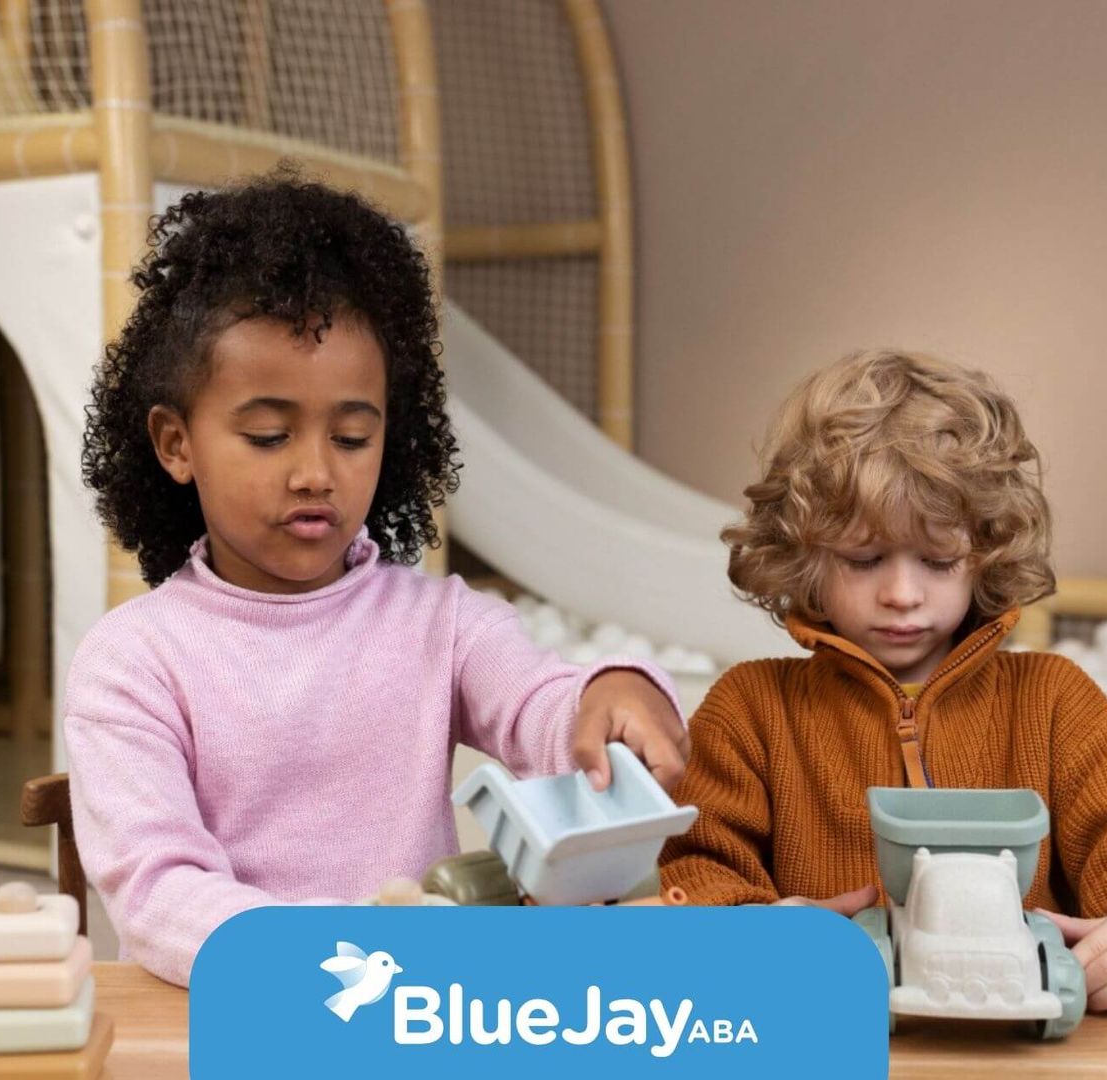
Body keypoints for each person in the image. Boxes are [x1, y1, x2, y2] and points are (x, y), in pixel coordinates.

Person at [67, 174, 687, 986]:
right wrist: (354, 954)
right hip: (236, 1011)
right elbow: (159, 895)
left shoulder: (444, 623)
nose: (315, 472)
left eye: (353, 437)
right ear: (176, 444)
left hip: (423, 1011)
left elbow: (544, 707)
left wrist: (615, 693)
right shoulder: (133, 660)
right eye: (267, 435)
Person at [659, 349, 1107, 1014]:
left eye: (938, 561)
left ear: (987, 557)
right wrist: (754, 931)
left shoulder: (1053, 700)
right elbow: (696, 877)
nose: (902, 594)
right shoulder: (751, 708)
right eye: (864, 559)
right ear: (806, 556)